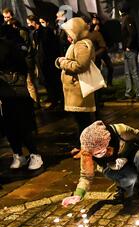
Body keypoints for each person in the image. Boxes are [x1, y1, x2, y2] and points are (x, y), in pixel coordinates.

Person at [61, 121, 139, 207]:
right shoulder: (87, 149)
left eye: (100, 152)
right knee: (130, 177)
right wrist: (78, 194)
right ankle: (125, 188)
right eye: (95, 154)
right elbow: (86, 176)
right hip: (112, 166)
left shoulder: (121, 131)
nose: (99, 155)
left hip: (131, 153)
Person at [0, 25, 44, 170]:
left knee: (23, 125)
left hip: (16, 90)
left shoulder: (8, 45)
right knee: (10, 126)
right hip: (6, 92)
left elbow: (18, 63)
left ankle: (35, 155)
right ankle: (18, 154)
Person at [55, 17, 96, 159]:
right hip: (75, 89)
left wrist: (62, 62)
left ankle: (86, 149)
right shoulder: (78, 43)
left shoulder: (82, 45)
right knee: (80, 120)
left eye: (69, 33)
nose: (68, 36)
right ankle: (82, 146)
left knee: (83, 121)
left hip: (78, 89)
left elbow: (80, 65)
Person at [27, 15, 63, 109]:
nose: (28, 25)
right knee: (47, 82)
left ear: (34, 22)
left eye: (29, 23)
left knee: (53, 82)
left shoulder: (46, 31)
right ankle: (53, 99)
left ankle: (59, 101)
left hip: (49, 61)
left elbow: (49, 47)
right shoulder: (35, 32)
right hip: (41, 61)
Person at [9, 18, 40, 108]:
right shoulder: (20, 32)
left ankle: (35, 102)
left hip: (27, 60)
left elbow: (27, 48)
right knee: (29, 82)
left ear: (14, 26)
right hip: (26, 60)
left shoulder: (21, 32)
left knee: (30, 82)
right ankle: (34, 102)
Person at [120, 2, 139, 101]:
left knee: (133, 72)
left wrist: (128, 46)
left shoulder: (128, 18)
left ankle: (138, 93)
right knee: (127, 73)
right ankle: (128, 93)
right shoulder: (125, 18)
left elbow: (133, 33)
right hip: (126, 49)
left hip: (131, 49)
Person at [91, 14, 114, 86]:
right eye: (94, 19)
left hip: (103, 51)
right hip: (96, 52)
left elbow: (107, 37)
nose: (95, 21)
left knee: (110, 67)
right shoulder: (90, 29)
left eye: (97, 19)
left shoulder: (103, 28)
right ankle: (100, 85)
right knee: (98, 70)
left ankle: (109, 83)